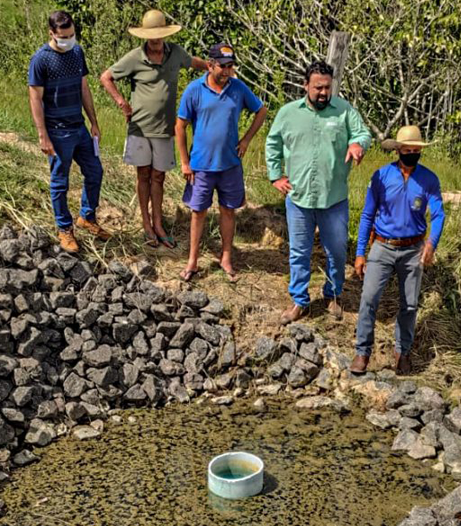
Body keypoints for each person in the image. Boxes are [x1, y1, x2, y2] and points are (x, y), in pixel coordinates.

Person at [265, 61, 372, 324]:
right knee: (299, 252)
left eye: (327, 87)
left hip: (333, 198)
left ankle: (333, 295)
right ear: (306, 86)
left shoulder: (344, 111)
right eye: (318, 87)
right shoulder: (288, 113)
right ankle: (299, 301)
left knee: (336, 251)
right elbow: (272, 142)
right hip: (299, 198)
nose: (323, 93)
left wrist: (358, 145)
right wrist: (275, 175)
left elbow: (362, 133)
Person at [99, 10, 208, 249]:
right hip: (139, 128)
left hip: (165, 128)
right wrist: (121, 102)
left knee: (159, 176)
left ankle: (159, 224)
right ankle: (146, 224)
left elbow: (193, 63)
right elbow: (106, 77)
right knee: (143, 175)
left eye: (159, 35)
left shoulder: (176, 53)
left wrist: (213, 68)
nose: (156, 40)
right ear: (145, 36)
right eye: (152, 36)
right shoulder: (135, 57)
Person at [351, 125, 444, 375]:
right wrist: (360, 252)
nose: (411, 153)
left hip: (413, 248)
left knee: (410, 304)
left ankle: (402, 351)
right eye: (407, 149)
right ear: (398, 150)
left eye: (416, 150)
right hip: (382, 245)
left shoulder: (429, 179)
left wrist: (431, 244)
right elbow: (367, 214)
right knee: (369, 298)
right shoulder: (381, 176)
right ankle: (362, 352)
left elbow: (438, 214)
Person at [175, 42, 268, 282]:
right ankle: (193, 261)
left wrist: (246, 140)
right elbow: (180, 126)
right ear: (210, 65)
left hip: (230, 164)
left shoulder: (238, 88)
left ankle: (226, 257)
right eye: (223, 66)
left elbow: (261, 110)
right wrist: (185, 162)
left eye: (230, 66)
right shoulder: (194, 90)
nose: (227, 71)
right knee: (198, 212)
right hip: (201, 165)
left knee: (228, 210)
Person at [27, 10, 111, 253]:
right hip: (57, 130)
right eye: (64, 36)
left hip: (79, 127)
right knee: (60, 182)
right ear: (51, 33)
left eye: (72, 34)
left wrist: (93, 121)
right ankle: (65, 228)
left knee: (95, 171)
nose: (69, 40)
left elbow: (84, 87)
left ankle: (87, 217)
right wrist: (42, 134)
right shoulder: (40, 60)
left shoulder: (77, 52)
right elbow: (35, 98)